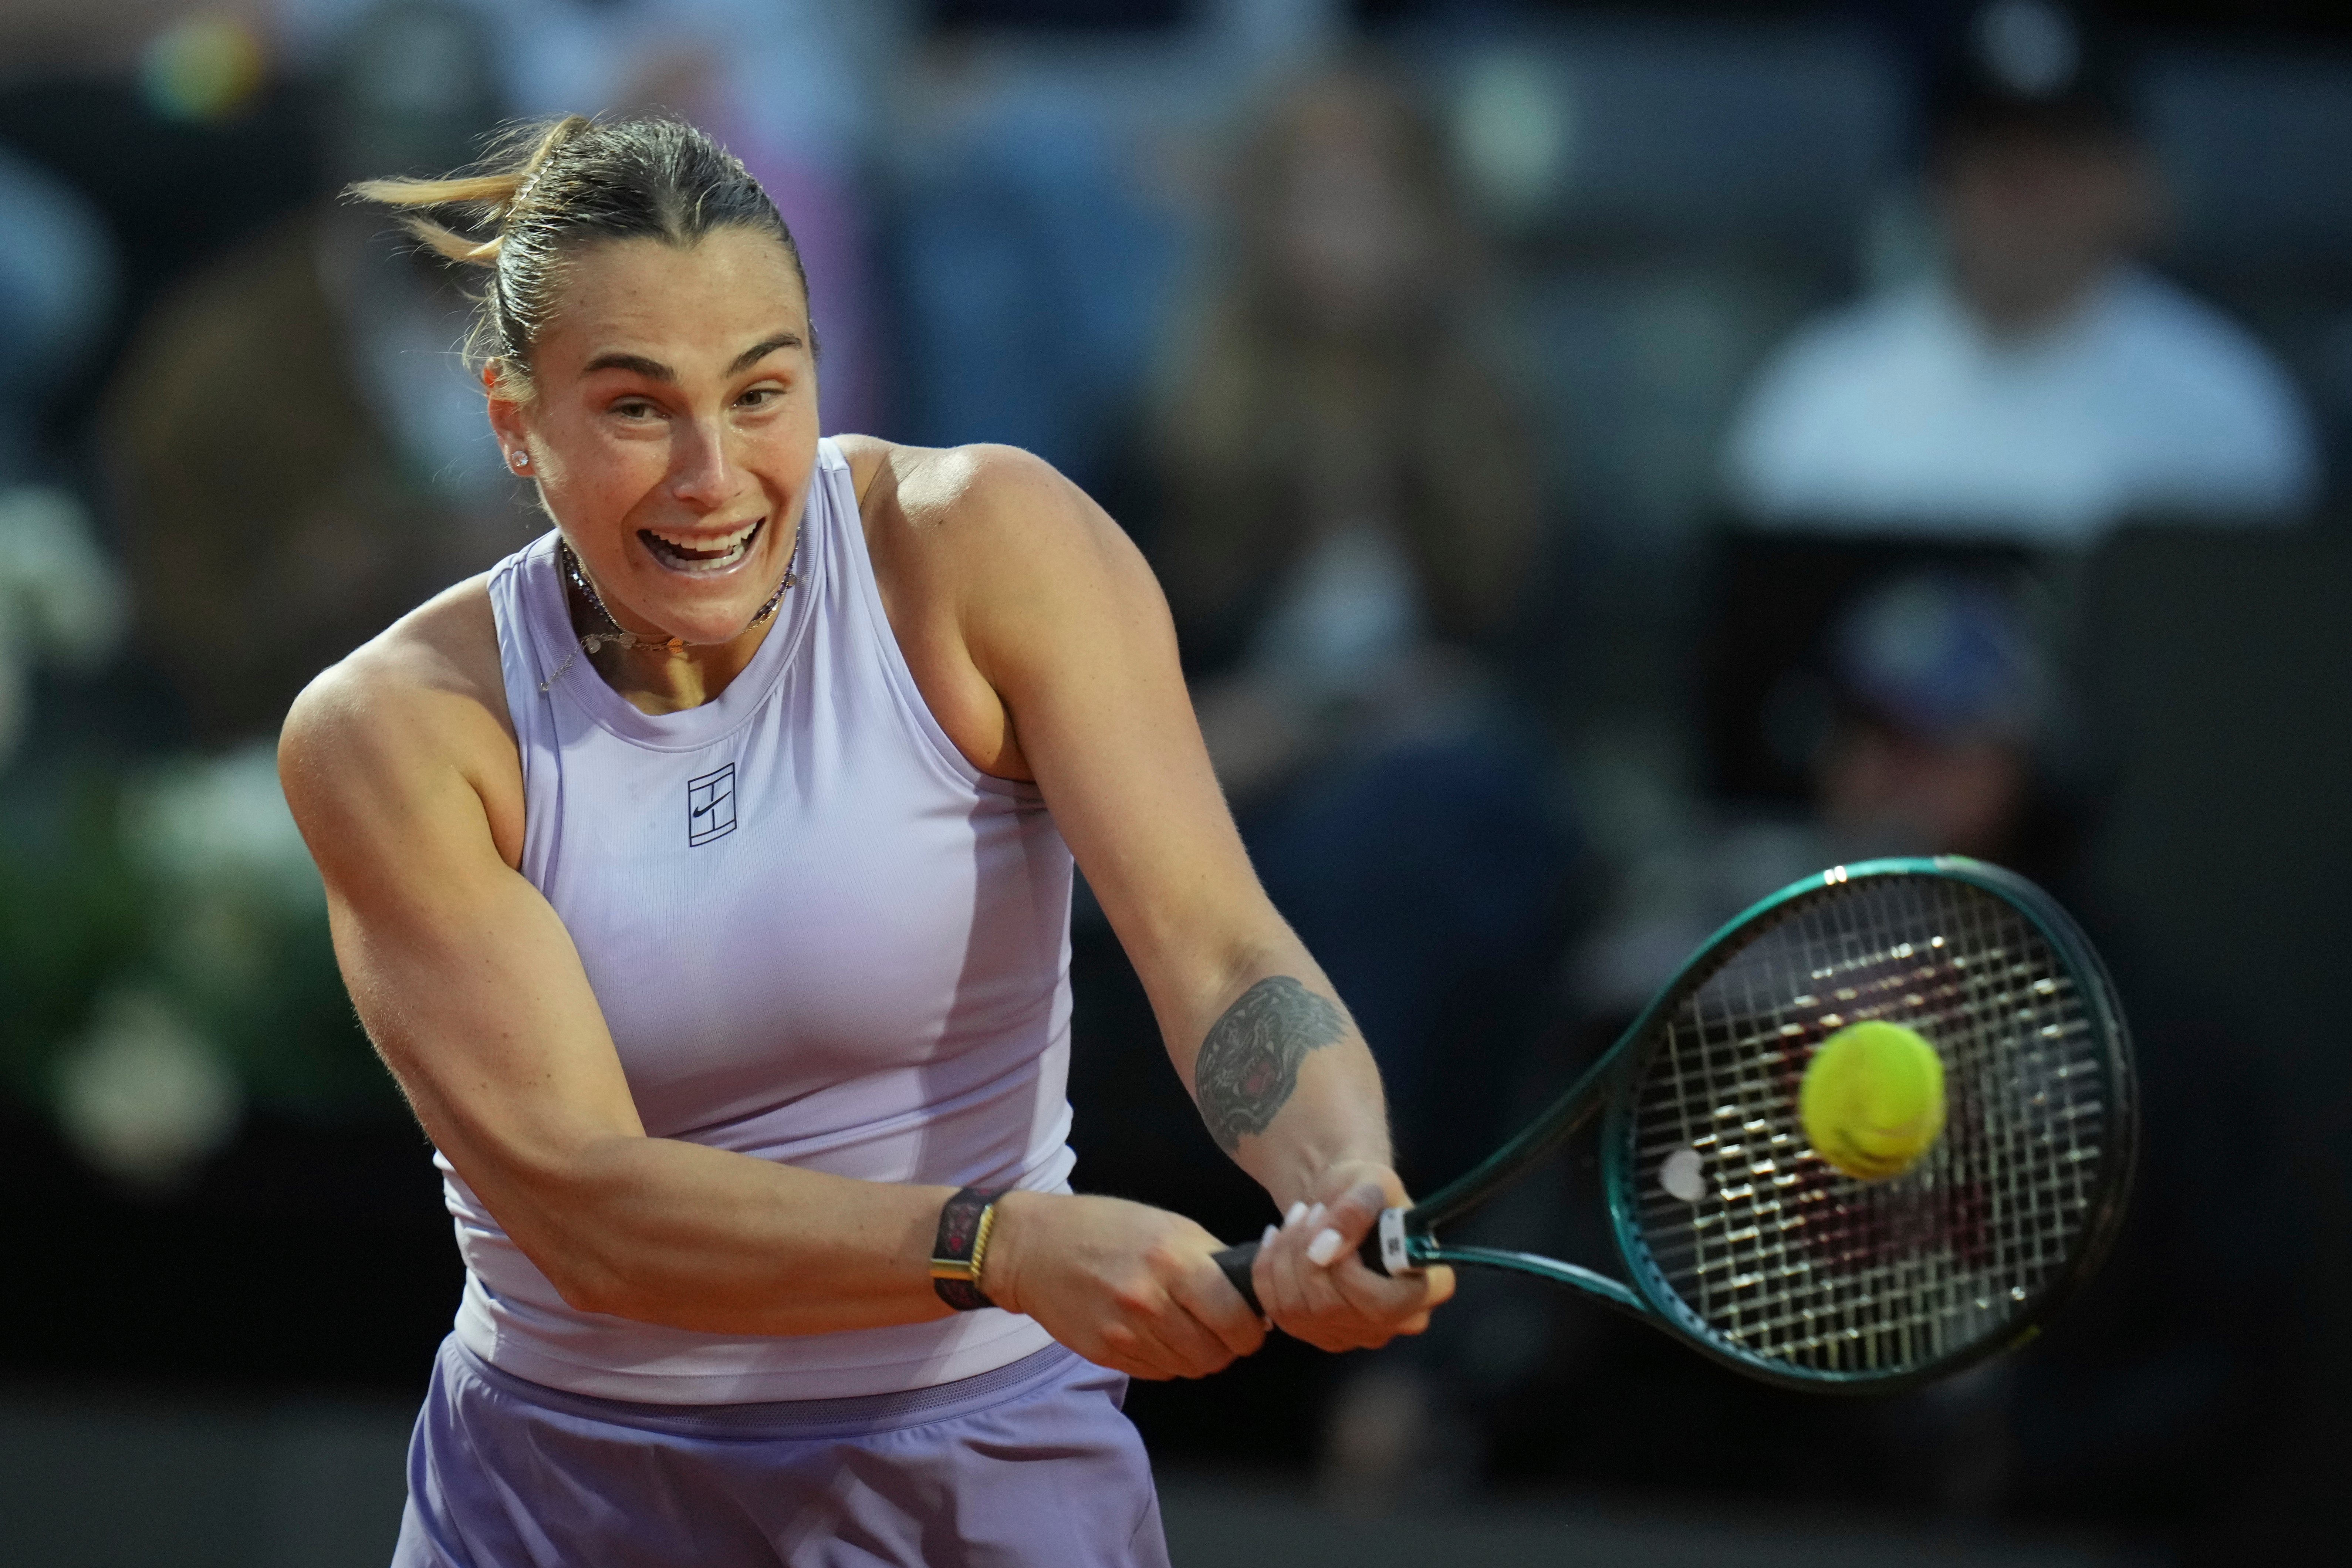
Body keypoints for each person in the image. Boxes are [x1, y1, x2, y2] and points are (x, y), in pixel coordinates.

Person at [276, 115, 1450, 1567]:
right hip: (557, 1503)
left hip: (981, 1473)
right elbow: (588, 1209)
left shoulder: (990, 545)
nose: (713, 475)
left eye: (760, 392)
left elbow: (1216, 950)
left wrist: (1339, 1179)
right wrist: (997, 1245)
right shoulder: (395, 731)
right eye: (637, 408)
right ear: (515, 420)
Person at [1722, 0, 2317, 546]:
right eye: (1999, 159)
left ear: (2131, 182)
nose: (2030, 194)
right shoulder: (1824, 398)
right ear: (1936, 180)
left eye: (2063, 157)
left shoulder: (2223, 406)